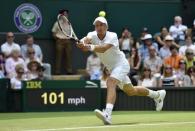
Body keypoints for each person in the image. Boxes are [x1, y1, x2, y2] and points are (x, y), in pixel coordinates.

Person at [77, 16, 166, 125]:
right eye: (97, 25)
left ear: (106, 26)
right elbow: (86, 40)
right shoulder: (92, 34)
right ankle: (157, 95)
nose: (99, 27)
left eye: (101, 25)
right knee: (131, 91)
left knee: (110, 82)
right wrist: (81, 43)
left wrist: (88, 47)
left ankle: (108, 114)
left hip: (122, 65)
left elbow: (104, 48)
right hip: (112, 68)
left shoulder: (112, 35)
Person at [52, 9, 75, 74]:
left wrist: (71, 37)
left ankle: (69, 71)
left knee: (69, 57)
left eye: (66, 14)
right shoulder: (57, 23)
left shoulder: (69, 24)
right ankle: (57, 71)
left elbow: (72, 33)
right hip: (59, 41)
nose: (65, 15)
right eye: (64, 14)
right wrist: (58, 39)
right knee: (58, 57)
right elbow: (53, 33)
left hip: (68, 41)